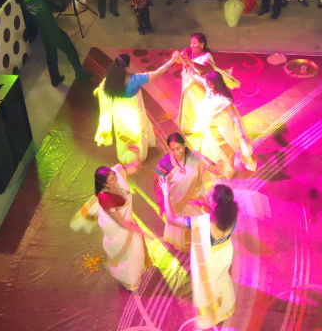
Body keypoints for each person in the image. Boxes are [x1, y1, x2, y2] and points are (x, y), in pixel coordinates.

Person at [159, 181, 238, 328]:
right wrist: (204, 204)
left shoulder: (201, 222)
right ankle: (223, 309)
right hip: (224, 255)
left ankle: (210, 317)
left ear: (215, 205)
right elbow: (217, 214)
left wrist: (165, 193)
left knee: (207, 286)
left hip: (208, 260)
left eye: (209, 196)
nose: (206, 195)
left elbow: (171, 219)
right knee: (221, 280)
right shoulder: (231, 213)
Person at [94, 53, 177, 164]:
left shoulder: (110, 79)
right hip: (133, 115)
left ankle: (124, 156)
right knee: (137, 134)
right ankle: (138, 157)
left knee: (123, 135)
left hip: (119, 114)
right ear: (127, 67)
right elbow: (158, 72)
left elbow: (102, 89)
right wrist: (172, 60)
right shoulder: (135, 80)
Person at [154, 133, 219, 251]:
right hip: (178, 200)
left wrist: (218, 168)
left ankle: (202, 242)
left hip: (196, 197)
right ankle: (183, 244)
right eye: (172, 149)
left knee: (199, 223)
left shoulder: (194, 156)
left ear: (184, 146)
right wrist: (163, 194)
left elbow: (212, 167)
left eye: (178, 148)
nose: (176, 152)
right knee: (180, 226)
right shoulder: (166, 162)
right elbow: (158, 180)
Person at [185, 71, 254, 178]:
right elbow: (198, 78)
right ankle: (220, 168)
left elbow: (235, 117)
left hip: (222, 129)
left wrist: (241, 134)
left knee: (225, 150)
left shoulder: (223, 100)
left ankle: (229, 170)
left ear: (212, 84)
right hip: (210, 127)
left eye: (207, 82)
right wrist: (187, 67)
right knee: (211, 150)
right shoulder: (209, 88)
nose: (205, 83)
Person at [94, 152, 147, 291]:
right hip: (118, 227)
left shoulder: (117, 171)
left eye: (114, 175)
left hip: (126, 220)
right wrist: (139, 230)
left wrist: (136, 153)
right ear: (105, 184)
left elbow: (135, 167)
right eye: (111, 178)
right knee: (131, 251)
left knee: (137, 247)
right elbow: (121, 222)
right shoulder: (105, 198)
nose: (116, 178)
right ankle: (131, 281)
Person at [25, 0, 88, 87]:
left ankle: (55, 80)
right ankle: (80, 75)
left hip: (44, 34)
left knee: (51, 57)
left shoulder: (27, 1)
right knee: (71, 51)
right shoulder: (45, 3)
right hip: (54, 32)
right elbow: (61, 7)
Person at [176, 33, 240, 137]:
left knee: (200, 104)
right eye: (191, 43)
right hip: (189, 80)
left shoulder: (207, 56)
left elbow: (206, 68)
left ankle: (204, 124)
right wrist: (178, 57)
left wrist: (191, 63)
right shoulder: (188, 50)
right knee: (188, 103)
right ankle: (190, 125)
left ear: (201, 45)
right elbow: (181, 59)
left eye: (194, 43)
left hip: (199, 83)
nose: (191, 45)